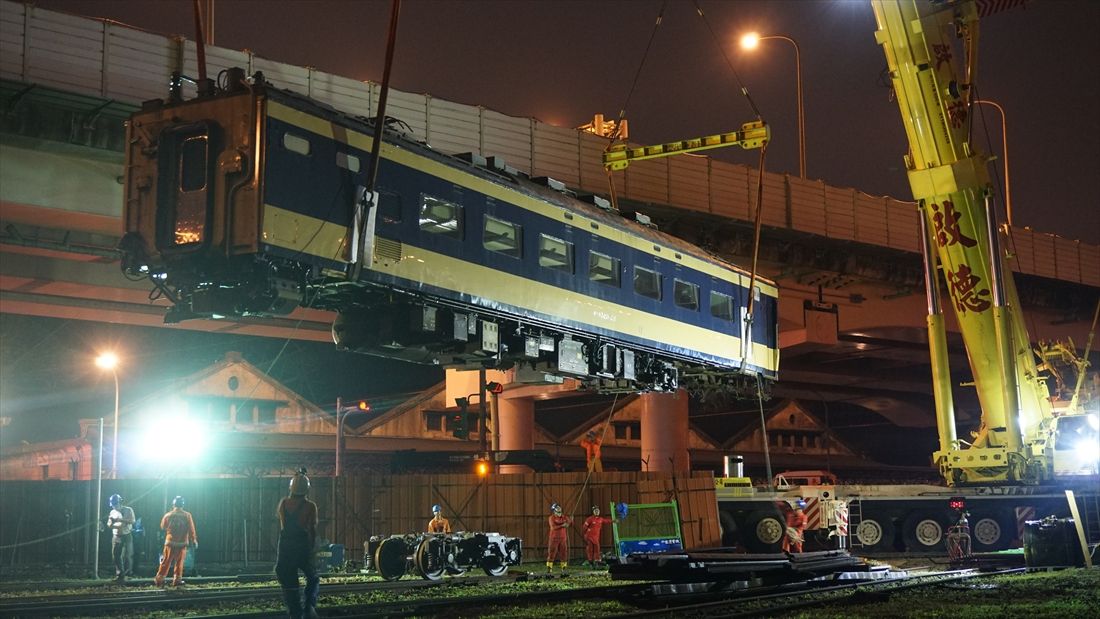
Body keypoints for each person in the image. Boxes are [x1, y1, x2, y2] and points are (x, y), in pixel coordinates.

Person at [276, 468, 320, 619]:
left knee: (289, 582)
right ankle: (309, 607)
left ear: (291, 487)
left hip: (286, 548)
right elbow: (312, 530)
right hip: (302, 547)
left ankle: (295, 613)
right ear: (307, 488)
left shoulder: (283, 504)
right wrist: (312, 549)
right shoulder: (310, 506)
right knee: (313, 577)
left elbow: (284, 528)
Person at [154, 496, 197, 587]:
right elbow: (191, 529)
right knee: (179, 562)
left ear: (173, 504)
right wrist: (194, 540)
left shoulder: (168, 515)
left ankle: (159, 580)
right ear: (183, 505)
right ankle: (177, 580)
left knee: (166, 561)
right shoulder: (187, 515)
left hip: (170, 542)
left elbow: (163, 526)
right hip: (182, 544)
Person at [106, 494, 135, 582]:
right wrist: (111, 524)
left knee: (128, 555)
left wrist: (120, 520)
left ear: (120, 503)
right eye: (113, 505)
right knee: (116, 555)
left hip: (127, 535)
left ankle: (129, 573)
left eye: (116, 504)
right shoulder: (112, 512)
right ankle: (120, 575)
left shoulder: (128, 510)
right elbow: (109, 524)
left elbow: (132, 521)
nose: (114, 506)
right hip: (116, 535)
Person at [546, 502, 572, 574]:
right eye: (557, 507)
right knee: (551, 553)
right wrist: (562, 525)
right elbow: (553, 527)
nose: (559, 508)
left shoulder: (564, 517)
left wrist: (569, 521)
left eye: (559, 507)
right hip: (554, 539)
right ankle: (549, 568)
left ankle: (564, 568)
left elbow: (569, 522)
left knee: (564, 553)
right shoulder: (551, 518)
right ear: (554, 510)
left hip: (563, 539)